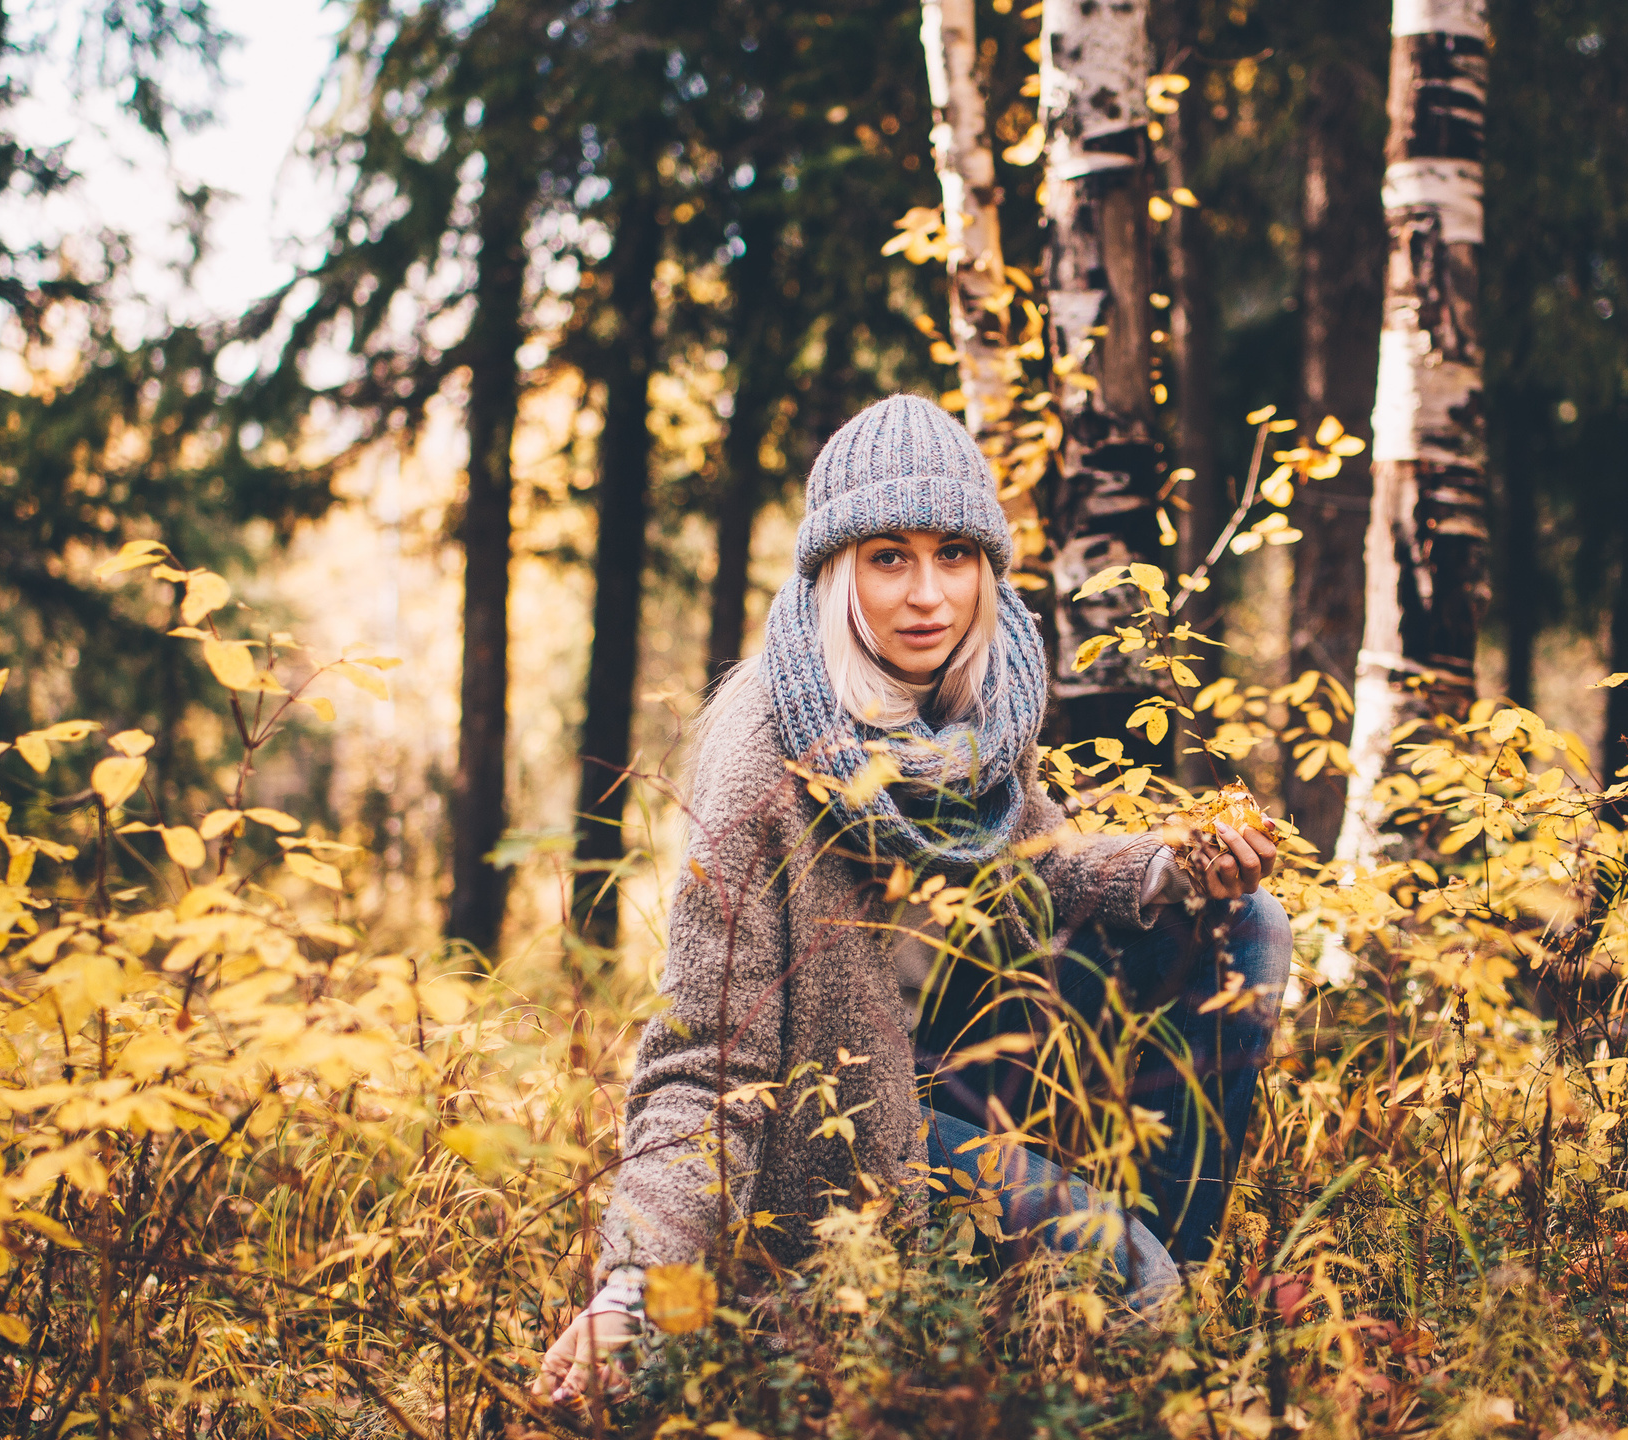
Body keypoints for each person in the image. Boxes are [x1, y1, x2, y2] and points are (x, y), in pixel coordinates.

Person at [537, 395, 1289, 1407]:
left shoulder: (980, 699)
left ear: (987, 569)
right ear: (835, 573)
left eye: (953, 555)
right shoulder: (766, 749)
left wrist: (1172, 864)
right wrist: (639, 1292)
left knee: (1248, 929)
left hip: (978, 1068)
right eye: (888, 556)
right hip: (861, 1134)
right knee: (1131, 1292)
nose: (926, 593)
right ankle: (1116, 1287)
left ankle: (1155, 1262)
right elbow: (706, 1065)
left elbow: (1033, 858)